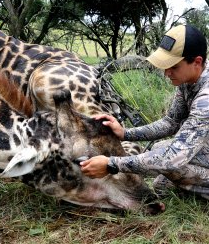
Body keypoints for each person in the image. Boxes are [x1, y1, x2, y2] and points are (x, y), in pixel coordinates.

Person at [80, 24, 209, 200]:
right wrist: (125, 133)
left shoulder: (206, 98)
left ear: (197, 62)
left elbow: (173, 159)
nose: (166, 73)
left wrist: (111, 164)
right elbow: (171, 122)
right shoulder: (189, 81)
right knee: (160, 167)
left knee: (172, 165)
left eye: (174, 66)